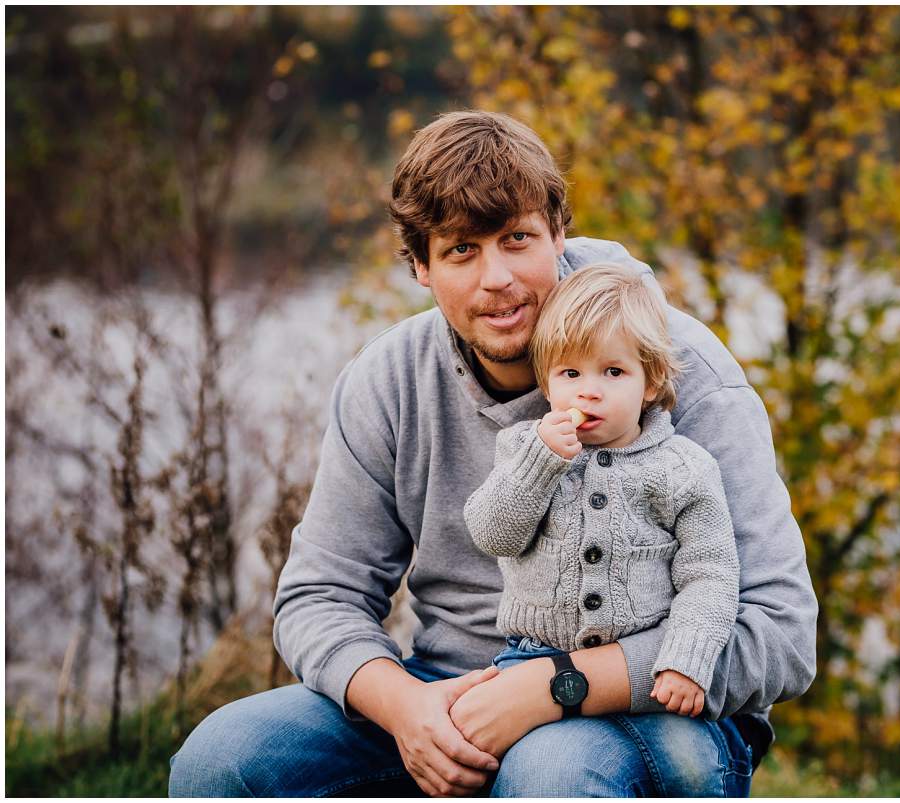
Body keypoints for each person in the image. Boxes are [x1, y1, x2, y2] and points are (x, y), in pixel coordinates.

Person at [168, 110, 818, 798]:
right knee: (222, 759)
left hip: (650, 706)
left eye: (516, 239)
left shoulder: (673, 370)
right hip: (449, 691)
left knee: (550, 774)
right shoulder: (388, 380)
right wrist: (407, 709)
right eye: (461, 251)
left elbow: (778, 634)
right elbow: (318, 595)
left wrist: (553, 686)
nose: (497, 278)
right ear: (419, 265)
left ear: (557, 233)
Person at [464, 262, 739, 720]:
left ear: (650, 382)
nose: (587, 392)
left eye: (612, 372)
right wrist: (541, 461)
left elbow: (710, 575)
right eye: (570, 374)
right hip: (531, 659)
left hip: (645, 670)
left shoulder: (683, 468)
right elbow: (493, 535)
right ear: (547, 382)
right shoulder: (523, 448)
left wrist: (686, 659)